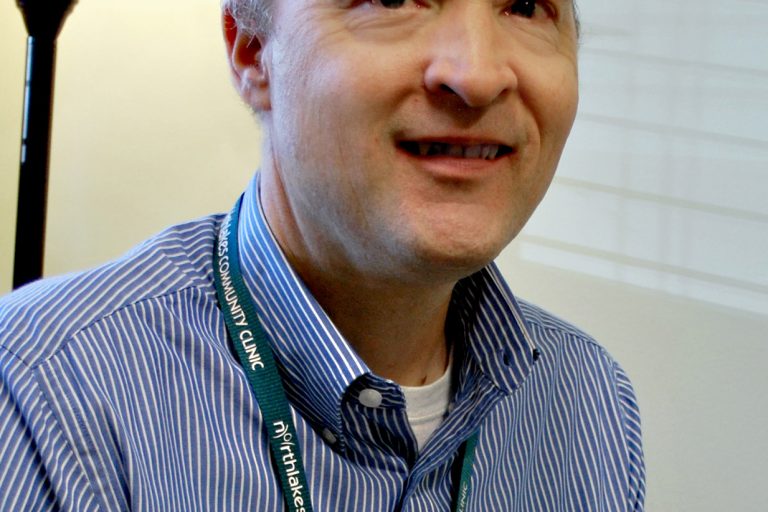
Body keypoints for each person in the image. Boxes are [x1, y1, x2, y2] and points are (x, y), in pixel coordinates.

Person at [0, 0, 645, 510]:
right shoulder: (46, 393)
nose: (476, 75)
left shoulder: (588, 402)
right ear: (253, 51)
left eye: (526, 5)